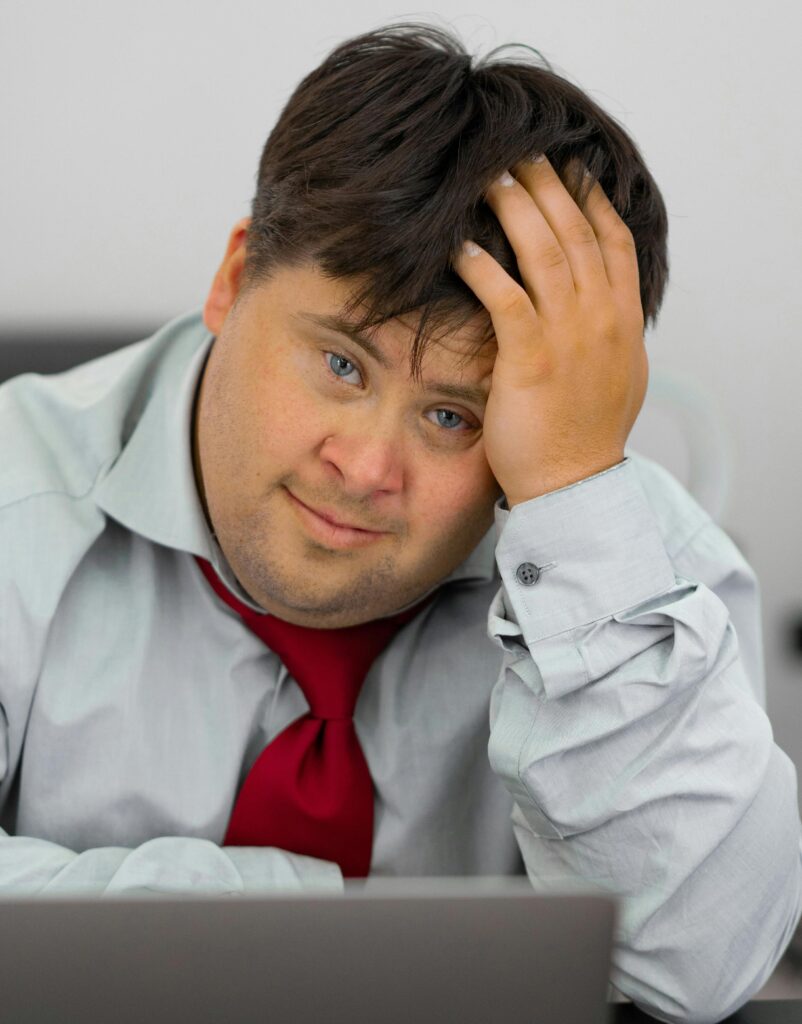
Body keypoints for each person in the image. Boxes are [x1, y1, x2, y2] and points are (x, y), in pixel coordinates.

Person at [1, 20, 800, 1022]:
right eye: (342, 364)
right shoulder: (14, 498)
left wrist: (572, 497)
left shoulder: (643, 572)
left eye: (452, 415)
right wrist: (312, 925)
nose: (367, 468)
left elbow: (699, 966)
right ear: (233, 277)